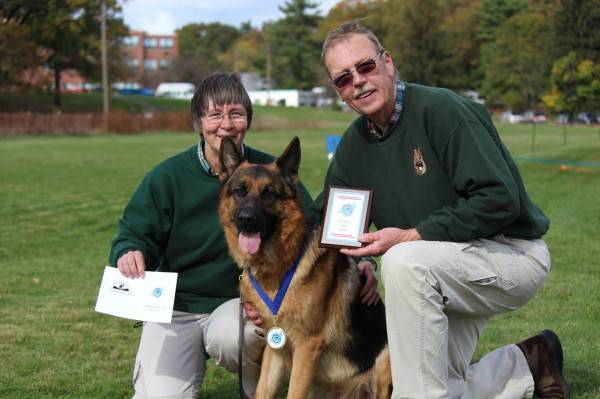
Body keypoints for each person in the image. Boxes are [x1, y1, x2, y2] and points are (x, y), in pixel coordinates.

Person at [312, 21, 570, 399]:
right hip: (439, 269)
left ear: (388, 63)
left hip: (510, 252)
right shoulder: (353, 146)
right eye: (344, 79)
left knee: (402, 261)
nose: (359, 82)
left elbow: (499, 198)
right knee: (433, 384)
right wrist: (356, 263)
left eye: (366, 67)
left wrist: (413, 234)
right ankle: (530, 364)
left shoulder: (442, 110)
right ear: (338, 91)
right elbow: (325, 222)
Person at [108, 72, 314, 398]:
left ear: (248, 119)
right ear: (198, 121)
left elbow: (312, 225)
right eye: (215, 114)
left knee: (242, 335)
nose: (226, 124)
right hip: (173, 308)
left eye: (236, 114)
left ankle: (256, 387)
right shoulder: (168, 177)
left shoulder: (270, 173)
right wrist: (129, 250)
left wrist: (360, 264)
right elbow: (133, 232)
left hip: (236, 305)